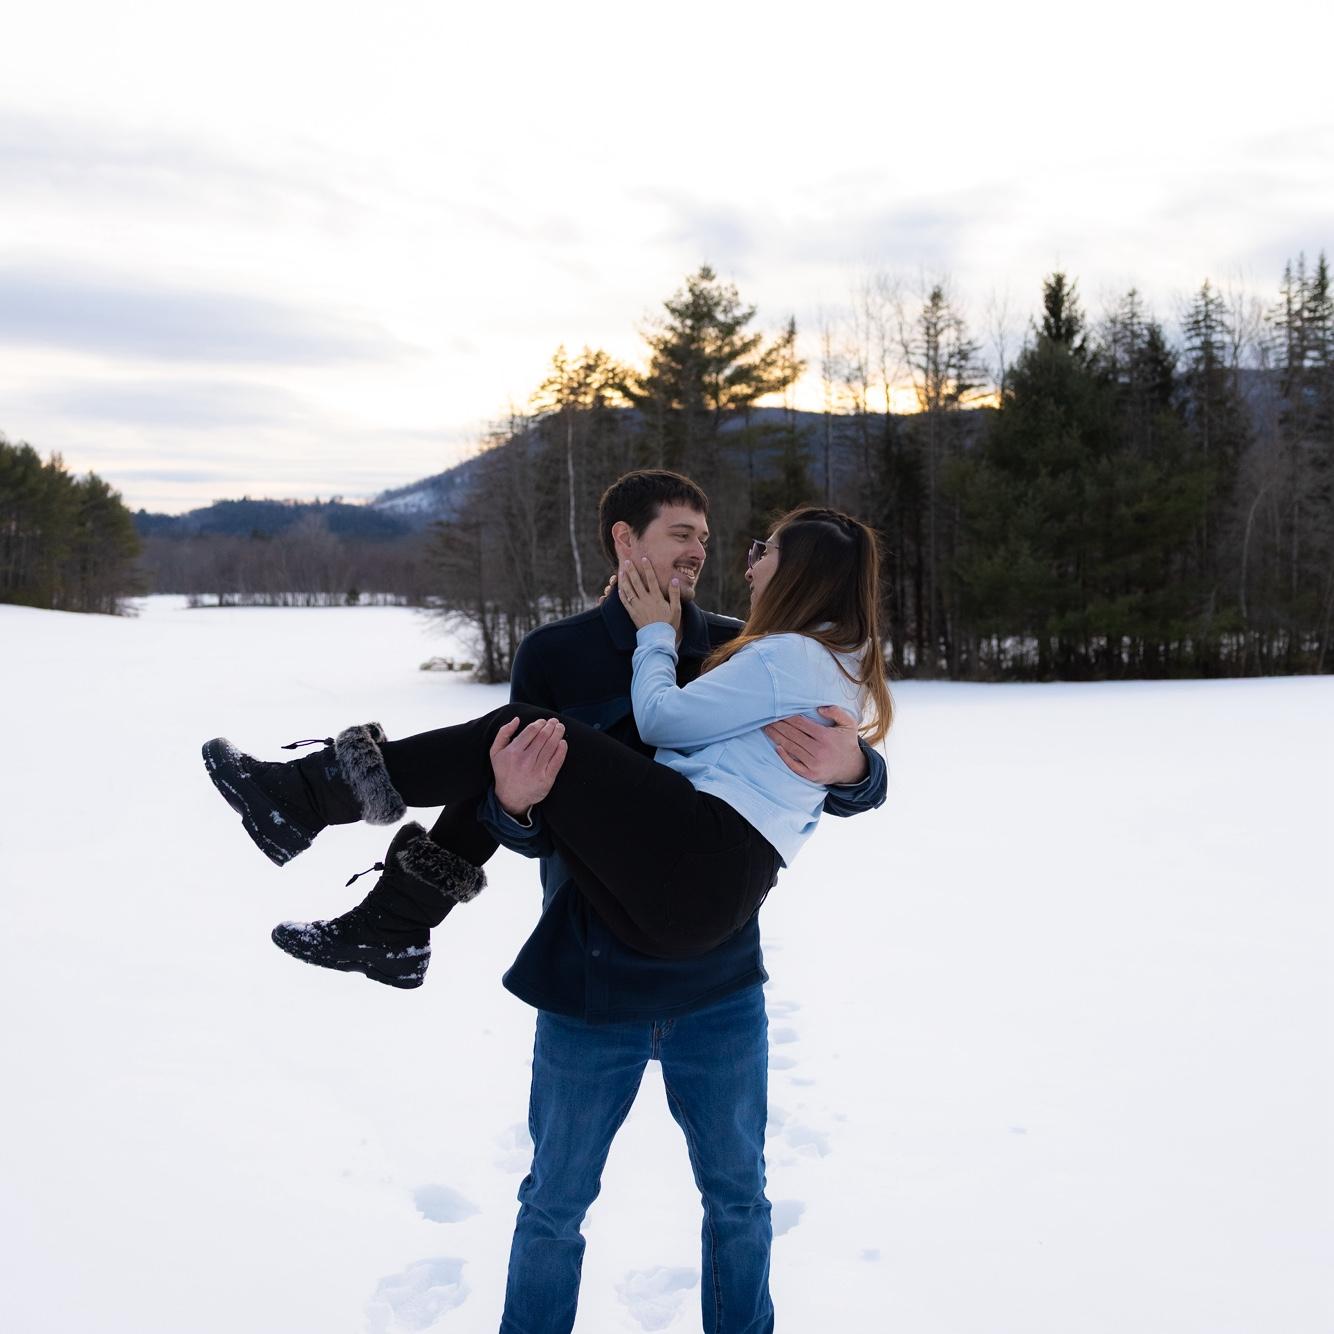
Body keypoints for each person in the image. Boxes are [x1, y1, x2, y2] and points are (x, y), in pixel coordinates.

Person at [204, 471, 889, 1333]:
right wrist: (514, 804)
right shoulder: (556, 655)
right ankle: (383, 907)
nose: (703, 553)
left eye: (709, 539)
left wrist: (857, 768)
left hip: (713, 983)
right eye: (681, 534)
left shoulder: (735, 645)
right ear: (625, 541)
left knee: (738, 1201)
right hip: (592, 969)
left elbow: (827, 761)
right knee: (554, 1205)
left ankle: (347, 852)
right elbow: (517, 819)